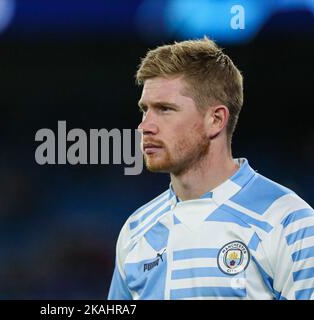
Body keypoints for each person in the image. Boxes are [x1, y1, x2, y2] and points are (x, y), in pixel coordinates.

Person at [108, 37, 314, 300]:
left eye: (164, 109)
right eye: (144, 110)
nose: (145, 126)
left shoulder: (288, 221)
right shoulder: (135, 231)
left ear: (215, 120)